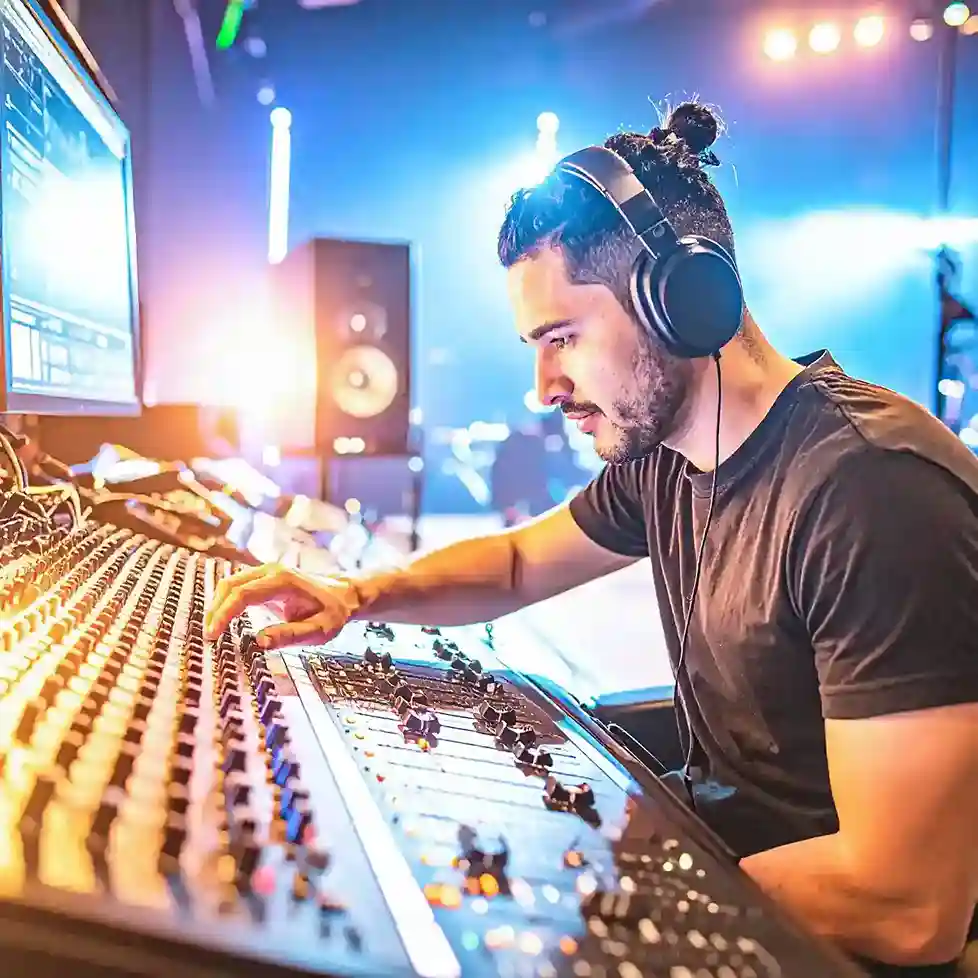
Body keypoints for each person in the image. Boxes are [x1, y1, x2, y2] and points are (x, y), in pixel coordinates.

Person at [204, 101, 978, 976]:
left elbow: (909, 909)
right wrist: (357, 597)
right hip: (750, 885)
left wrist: (601, 891)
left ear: (685, 300)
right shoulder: (672, 456)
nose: (543, 386)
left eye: (562, 338)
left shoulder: (871, 489)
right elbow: (519, 559)